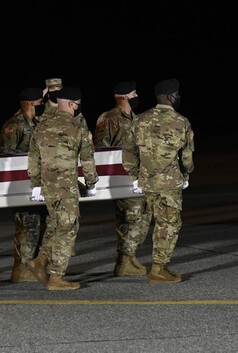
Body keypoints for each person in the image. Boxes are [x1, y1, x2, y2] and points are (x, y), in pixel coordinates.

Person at [122, 78, 194, 283]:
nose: (178, 97)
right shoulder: (181, 122)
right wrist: (186, 174)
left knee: (155, 221)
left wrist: (136, 175)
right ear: (170, 96)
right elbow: (187, 158)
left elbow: (129, 153)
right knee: (169, 223)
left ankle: (153, 264)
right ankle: (158, 268)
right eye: (177, 94)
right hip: (169, 183)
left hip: (147, 181)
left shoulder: (140, 120)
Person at [27, 86, 99, 291]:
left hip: (48, 187)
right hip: (67, 187)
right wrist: (91, 183)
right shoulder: (77, 127)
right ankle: (57, 276)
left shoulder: (41, 126)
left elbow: (33, 159)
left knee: (56, 225)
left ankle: (41, 260)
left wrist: (36, 185)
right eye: (77, 104)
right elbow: (87, 158)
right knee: (68, 229)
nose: (78, 107)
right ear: (70, 103)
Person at [94, 81, 152, 277]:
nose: (137, 96)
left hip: (137, 177)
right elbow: (101, 150)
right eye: (134, 93)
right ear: (125, 97)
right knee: (132, 217)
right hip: (121, 178)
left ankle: (128, 257)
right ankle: (125, 261)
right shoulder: (109, 118)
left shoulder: (135, 118)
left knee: (143, 215)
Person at [0, 87, 47, 283]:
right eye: (40, 103)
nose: (43, 107)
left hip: (37, 184)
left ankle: (32, 266)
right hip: (21, 185)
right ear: (31, 104)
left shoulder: (36, 123)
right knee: (26, 227)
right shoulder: (14, 125)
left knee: (39, 225)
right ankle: (21, 269)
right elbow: (6, 157)